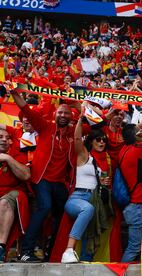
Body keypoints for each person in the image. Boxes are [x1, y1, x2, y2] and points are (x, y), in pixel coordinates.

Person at [10, 89, 76, 262]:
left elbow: (97, 123)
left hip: (59, 182)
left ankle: (52, 252)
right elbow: (26, 110)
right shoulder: (45, 126)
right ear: (55, 114)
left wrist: (76, 103)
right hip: (42, 179)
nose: (63, 115)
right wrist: (14, 93)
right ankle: (26, 252)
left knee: (63, 214)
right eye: (60, 112)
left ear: (70, 116)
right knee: (44, 207)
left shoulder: (73, 132)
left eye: (66, 113)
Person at [61, 107, 111, 263]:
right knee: (87, 209)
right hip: (78, 196)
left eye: (104, 140)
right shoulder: (84, 156)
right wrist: (81, 121)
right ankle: (68, 250)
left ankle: (85, 258)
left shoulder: (101, 163)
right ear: (91, 141)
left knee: (90, 231)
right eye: (98, 139)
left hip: (93, 198)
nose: (102, 142)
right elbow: (77, 140)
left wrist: (102, 183)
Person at [118, 124, 142, 262]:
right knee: (134, 247)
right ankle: (121, 271)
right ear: (136, 137)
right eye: (139, 132)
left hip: (136, 206)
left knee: (138, 247)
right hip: (140, 207)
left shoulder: (124, 150)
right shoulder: (139, 150)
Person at [0, 129, 31, 262]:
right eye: (0, 137)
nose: (4, 140)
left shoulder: (17, 155)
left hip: (11, 194)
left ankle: (0, 247)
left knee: (4, 203)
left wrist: (7, 158)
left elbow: (26, 175)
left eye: (7, 138)